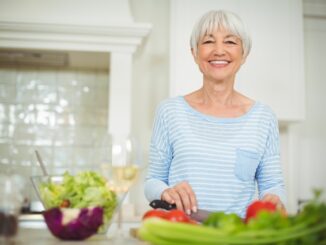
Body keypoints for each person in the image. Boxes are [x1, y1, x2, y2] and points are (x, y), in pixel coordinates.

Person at [144, 10, 286, 218]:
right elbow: (152, 181)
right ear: (194, 52)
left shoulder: (263, 118)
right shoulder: (169, 112)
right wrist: (165, 191)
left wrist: (274, 199)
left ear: (244, 53)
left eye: (230, 42)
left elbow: (273, 184)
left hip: (236, 235)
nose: (219, 51)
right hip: (182, 232)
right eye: (209, 41)